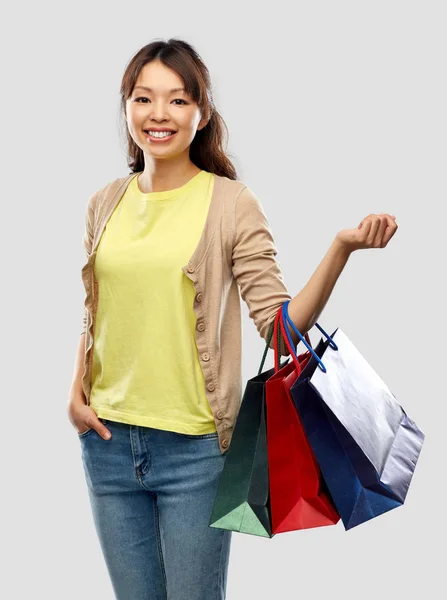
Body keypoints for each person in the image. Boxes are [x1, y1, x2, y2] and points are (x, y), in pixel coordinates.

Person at [67, 38, 398, 600]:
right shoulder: (105, 201)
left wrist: (339, 249)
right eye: (143, 99)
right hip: (107, 444)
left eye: (176, 101)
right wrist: (75, 394)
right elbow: (97, 311)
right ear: (126, 107)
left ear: (202, 111)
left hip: (195, 451)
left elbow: (277, 326)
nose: (158, 115)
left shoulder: (230, 203)